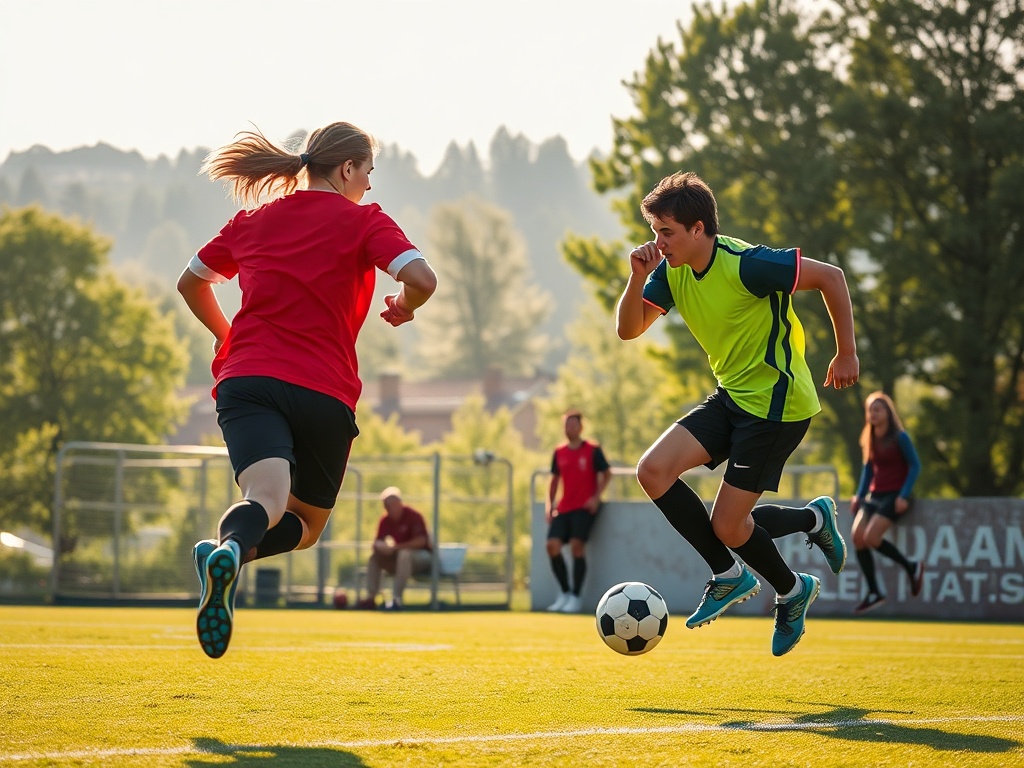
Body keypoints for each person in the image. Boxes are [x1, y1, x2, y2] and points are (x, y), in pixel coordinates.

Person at [177, 122, 437, 658]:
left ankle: (226, 549)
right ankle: (227, 555)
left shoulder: (253, 220)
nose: (368, 186)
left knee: (265, 499)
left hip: (247, 383)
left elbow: (191, 283)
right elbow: (424, 279)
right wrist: (406, 307)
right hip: (323, 391)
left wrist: (232, 340)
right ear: (346, 170)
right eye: (367, 174)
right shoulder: (365, 220)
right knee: (307, 526)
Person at [615, 171, 859, 656]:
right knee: (653, 471)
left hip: (777, 406)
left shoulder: (747, 264)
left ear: (699, 228)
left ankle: (792, 591)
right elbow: (628, 330)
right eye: (655, 231)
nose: (657, 242)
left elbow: (831, 277)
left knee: (729, 524)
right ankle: (734, 569)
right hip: (733, 397)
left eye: (667, 232)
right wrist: (637, 276)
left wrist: (846, 352)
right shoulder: (669, 269)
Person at [850, 391, 924, 613]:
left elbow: (915, 466)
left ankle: (912, 568)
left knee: (872, 537)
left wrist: (904, 495)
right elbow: (868, 469)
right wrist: (859, 495)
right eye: (870, 410)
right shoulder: (869, 437)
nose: (873, 414)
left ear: (888, 413)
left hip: (895, 495)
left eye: (878, 409)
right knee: (857, 538)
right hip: (875, 495)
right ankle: (874, 591)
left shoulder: (900, 437)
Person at [544, 410, 612, 614]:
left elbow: (606, 473)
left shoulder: (592, 450)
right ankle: (564, 593)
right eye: (566, 425)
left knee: (576, 547)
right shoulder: (559, 452)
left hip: (584, 508)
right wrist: (550, 505)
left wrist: (596, 497)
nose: (569, 428)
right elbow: (554, 479)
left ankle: (575, 596)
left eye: (573, 425)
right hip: (564, 507)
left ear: (581, 427)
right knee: (552, 545)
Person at [356, 487, 433, 611]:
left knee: (404, 554)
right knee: (374, 558)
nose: (386, 509)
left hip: (423, 559)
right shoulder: (385, 520)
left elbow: (421, 541)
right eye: (385, 506)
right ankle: (371, 598)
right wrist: (381, 547)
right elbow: (377, 542)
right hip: (400, 558)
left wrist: (395, 547)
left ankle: (396, 599)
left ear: (398, 504)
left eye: (388, 506)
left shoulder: (413, 515)